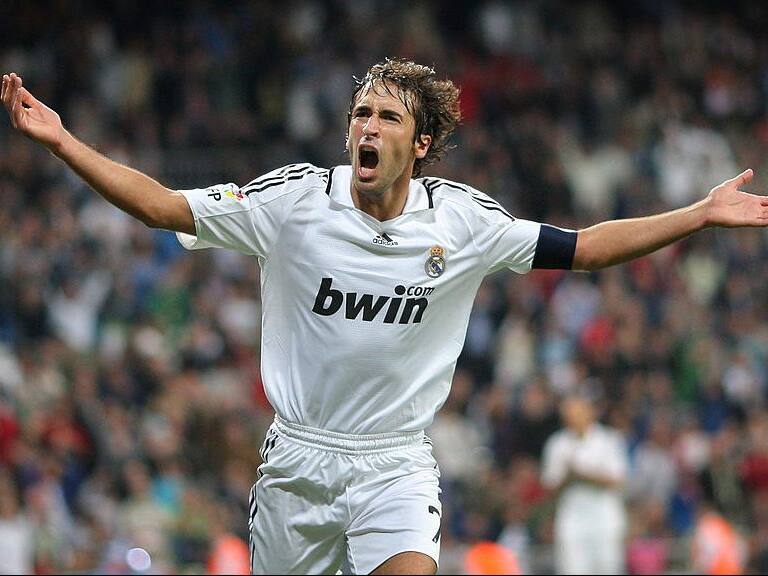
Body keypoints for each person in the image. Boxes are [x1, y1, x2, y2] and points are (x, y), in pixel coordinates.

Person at [3, 57, 768, 575]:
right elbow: (163, 206)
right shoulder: (294, 202)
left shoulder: (462, 222)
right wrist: (64, 140)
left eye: (387, 118)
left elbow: (588, 247)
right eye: (360, 114)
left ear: (420, 143)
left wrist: (699, 215)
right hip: (297, 462)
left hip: (395, 463)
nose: (367, 128)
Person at [541, 385, 628, 574]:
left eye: (577, 411)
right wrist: (568, 476)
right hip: (572, 519)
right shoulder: (557, 444)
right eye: (568, 413)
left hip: (605, 519)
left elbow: (617, 480)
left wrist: (582, 474)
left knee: (608, 569)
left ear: (589, 412)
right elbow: (549, 487)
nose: (572, 417)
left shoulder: (609, 440)